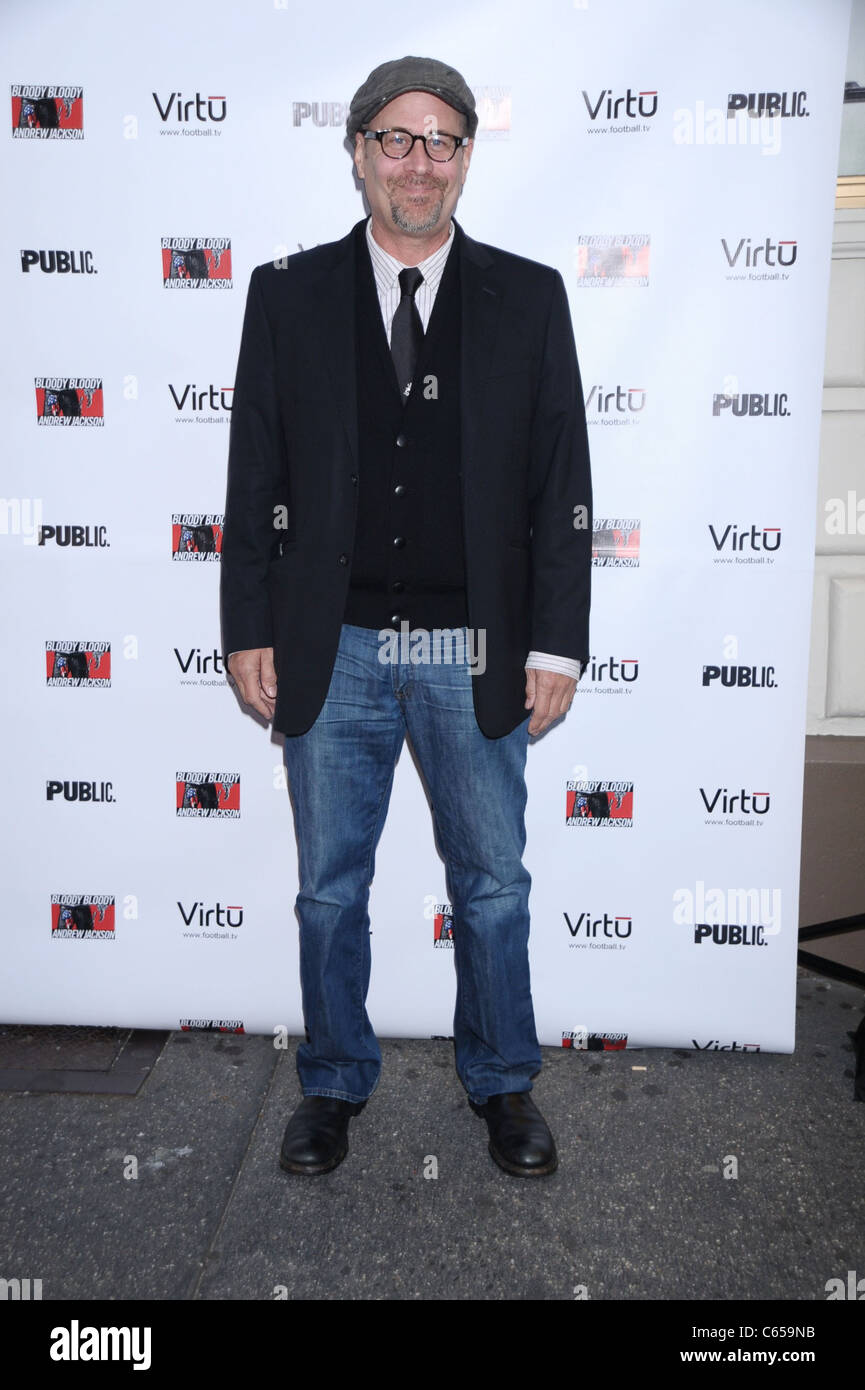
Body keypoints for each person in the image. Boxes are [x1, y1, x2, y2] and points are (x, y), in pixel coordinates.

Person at [221, 56, 592, 1178]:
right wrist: (248, 626)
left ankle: (502, 1080)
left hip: (471, 650)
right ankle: (332, 1082)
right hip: (329, 646)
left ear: (468, 156)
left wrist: (555, 640)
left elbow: (558, 481)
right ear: (358, 152)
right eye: (396, 138)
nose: (417, 162)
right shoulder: (285, 295)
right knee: (331, 886)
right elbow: (255, 473)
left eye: (440, 140)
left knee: (492, 885)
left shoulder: (528, 297)